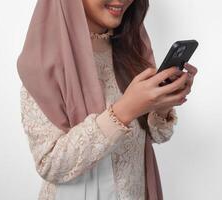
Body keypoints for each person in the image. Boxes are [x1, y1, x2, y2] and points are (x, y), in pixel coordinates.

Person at [17, 0, 198, 199]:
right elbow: (50, 164)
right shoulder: (45, 62)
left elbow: (155, 136)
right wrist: (123, 111)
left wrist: (163, 105)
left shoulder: (131, 47)